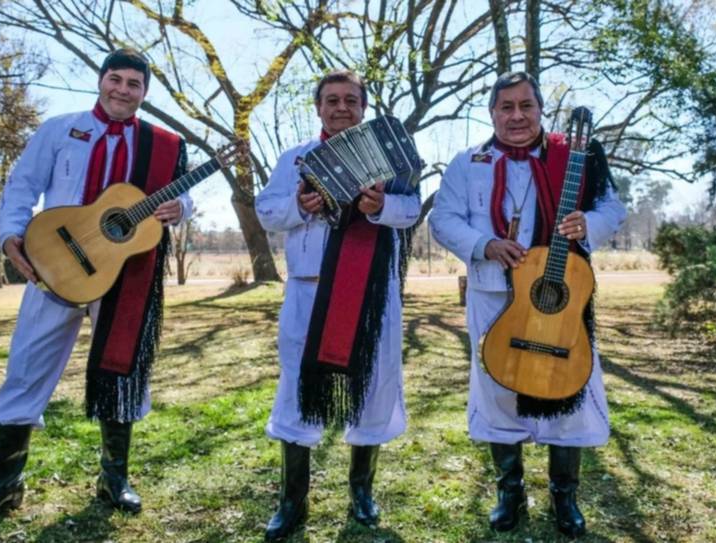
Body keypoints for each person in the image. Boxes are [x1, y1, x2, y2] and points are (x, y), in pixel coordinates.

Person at [0, 48, 193, 523]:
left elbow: (182, 194)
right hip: (54, 266)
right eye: (116, 79)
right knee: (27, 366)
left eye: (134, 84)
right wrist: (10, 237)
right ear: (101, 80)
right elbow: (22, 186)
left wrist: (181, 208)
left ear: (145, 93)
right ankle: (5, 485)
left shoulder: (163, 144)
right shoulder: (59, 129)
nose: (122, 90)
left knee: (122, 369)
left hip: (124, 274)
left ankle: (114, 479)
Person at [428, 71, 626, 538]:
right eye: (506, 107)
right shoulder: (467, 163)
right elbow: (443, 219)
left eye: (526, 106)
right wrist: (484, 244)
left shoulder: (572, 157)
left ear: (540, 110)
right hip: (493, 295)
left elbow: (613, 209)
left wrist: (588, 223)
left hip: (558, 297)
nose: (516, 116)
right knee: (497, 391)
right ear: (492, 113)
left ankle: (565, 495)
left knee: (566, 386)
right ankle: (509, 491)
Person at [255, 69, 421, 540]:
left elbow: (411, 209)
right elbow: (266, 211)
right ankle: (293, 500)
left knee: (372, 386)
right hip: (308, 291)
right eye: (332, 100)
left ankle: (361, 491)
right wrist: (299, 206)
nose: (341, 107)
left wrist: (380, 208)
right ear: (319, 107)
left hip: (371, 293)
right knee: (297, 387)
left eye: (351, 100)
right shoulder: (295, 158)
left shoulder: (390, 156)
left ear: (363, 107)